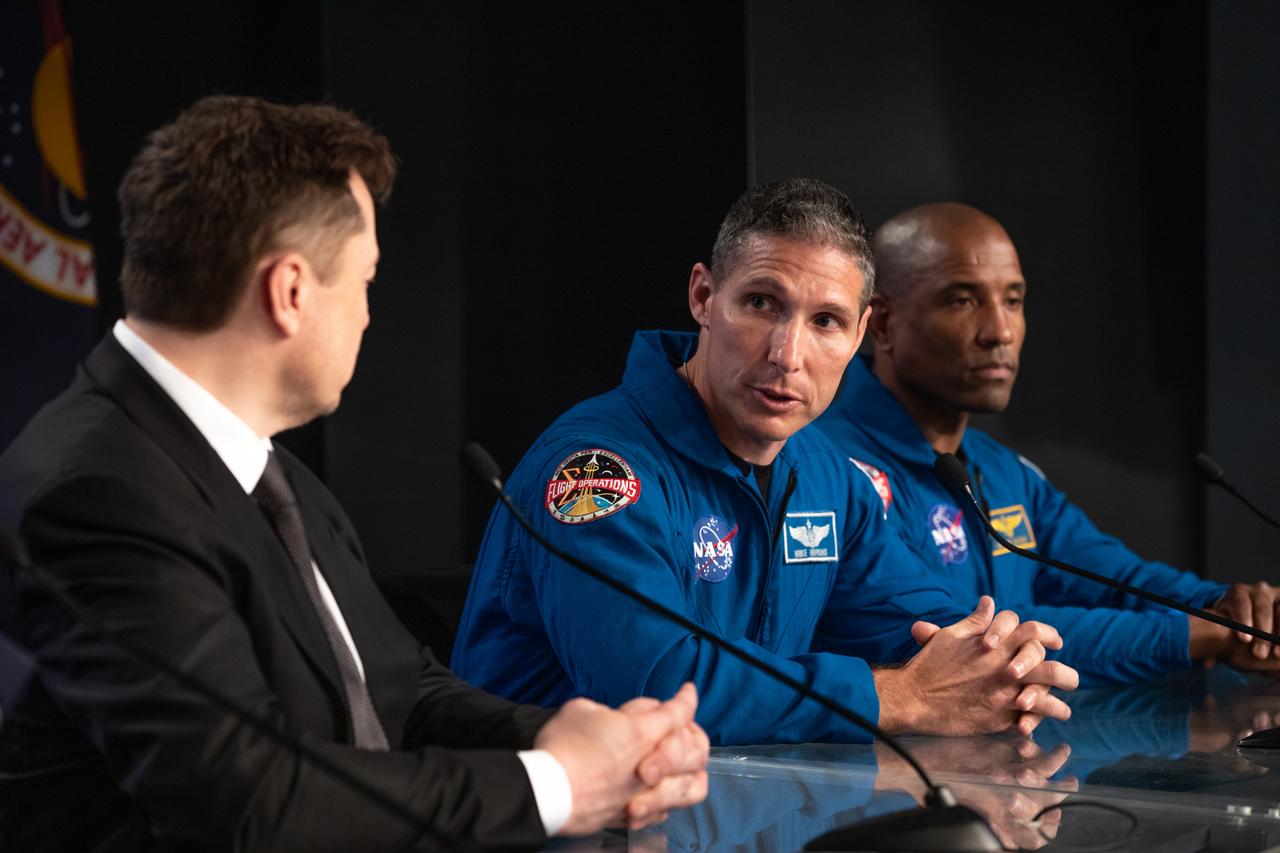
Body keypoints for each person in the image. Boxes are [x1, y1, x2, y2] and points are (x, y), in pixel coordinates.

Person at [0, 96, 710, 852]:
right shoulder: (101, 494)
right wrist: (558, 785)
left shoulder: (261, 468)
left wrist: (592, 744)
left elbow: (397, 686)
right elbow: (248, 803)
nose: (370, 315)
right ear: (292, 291)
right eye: (366, 280)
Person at [452, 178, 1079, 746]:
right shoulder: (597, 470)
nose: (788, 354)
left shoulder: (829, 476)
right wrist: (902, 697)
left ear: (860, 335)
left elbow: (917, 620)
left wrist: (998, 662)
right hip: (556, 824)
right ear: (703, 296)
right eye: (761, 304)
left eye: (826, 321)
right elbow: (656, 686)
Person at [815, 201, 1280, 685]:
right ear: (884, 324)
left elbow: (1120, 581)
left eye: (1013, 300)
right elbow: (971, 641)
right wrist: (1209, 635)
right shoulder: (828, 466)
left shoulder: (1004, 472)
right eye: (962, 300)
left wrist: (1241, 610)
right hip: (874, 760)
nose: (1000, 331)